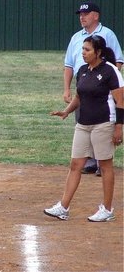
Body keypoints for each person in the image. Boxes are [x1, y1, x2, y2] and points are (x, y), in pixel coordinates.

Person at [45, 35, 124, 222]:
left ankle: (107, 209)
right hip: (83, 125)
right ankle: (63, 207)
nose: (83, 53)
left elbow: (121, 101)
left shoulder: (110, 71)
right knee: (75, 165)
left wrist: (118, 128)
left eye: (87, 50)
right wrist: (66, 111)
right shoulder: (82, 70)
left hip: (103, 124)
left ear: (98, 52)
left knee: (105, 166)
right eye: (82, 49)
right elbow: (79, 97)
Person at [63, 1, 124, 176]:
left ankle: (101, 162)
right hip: (82, 84)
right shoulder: (76, 37)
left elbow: (118, 60)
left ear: (95, 15)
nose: (82, 17)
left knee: (102, 121)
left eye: (86, 14)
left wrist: (106, 80)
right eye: (80, 14)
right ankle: (88, 160)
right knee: (82, 120)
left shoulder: (107, 34)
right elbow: (68, 65)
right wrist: (66, 89)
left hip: (103, 88)